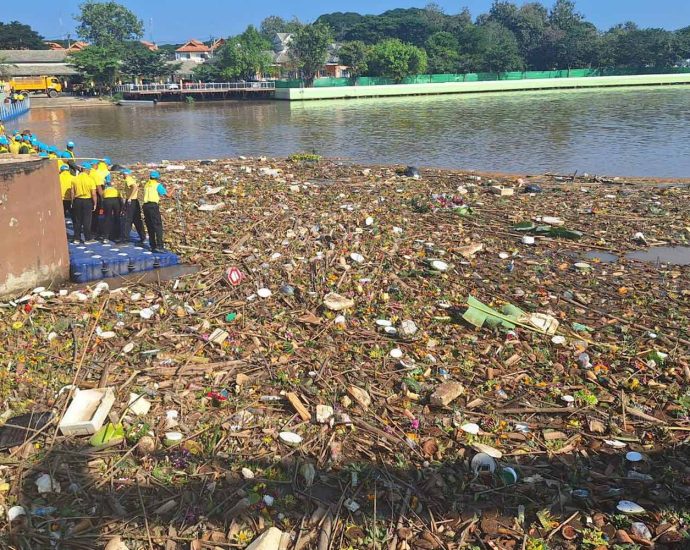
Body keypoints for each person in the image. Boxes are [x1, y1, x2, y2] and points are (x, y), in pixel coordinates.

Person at [71, 163, 98, 244]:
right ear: (87, 170)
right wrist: (95, 203)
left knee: (77, 220)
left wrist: (72, 202)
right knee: (87, 220)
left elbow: (72, 192)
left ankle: (77, 238)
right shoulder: (90, 180)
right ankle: (87, 238)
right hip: (87, 201)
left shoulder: (75, 179)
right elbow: (93, 194)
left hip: (77, 200)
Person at [142, 170, 168, 253]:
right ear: (157, 178)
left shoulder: (146, 185)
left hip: (145, 206)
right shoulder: (157, 185)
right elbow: (167, 195)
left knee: (150, 226)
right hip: (153, 206)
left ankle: (152, 245)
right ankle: (160, 246)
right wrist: (174, 188)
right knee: (158, 226)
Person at [119, 169, 146, 245]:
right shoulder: (131, 179)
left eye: (122, 174)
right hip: (135, 202)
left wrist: (130, 198)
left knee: (127, 220)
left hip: (131, 202)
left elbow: (135, 187)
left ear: (125, 174)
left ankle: (125, 239)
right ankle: (142, 237)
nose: (122, 176)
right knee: (137, 220)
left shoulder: (128, 180)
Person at [100, 174, 122, 244]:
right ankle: (117, 237)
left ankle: (105, 237)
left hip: (107, 201)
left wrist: (102, 207)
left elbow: (102, 198)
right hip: (116, 201)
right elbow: (120, 198)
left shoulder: (105, 190)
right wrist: (122, 207)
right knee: (117, 218)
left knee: (107, 218)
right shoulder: (115, 189)